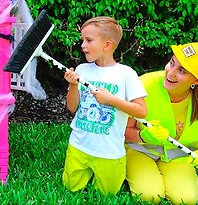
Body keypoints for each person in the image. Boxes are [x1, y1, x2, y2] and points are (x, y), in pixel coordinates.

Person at [62, 16, 148, 196]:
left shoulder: (126, 74)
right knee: (70, 188)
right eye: (82, 40)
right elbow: (72, 108)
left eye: (89, 40)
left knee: (107, 195)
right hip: (79, 146)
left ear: (107, 45)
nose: (83, 45)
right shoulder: (82, 69)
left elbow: (141, 111)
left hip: (109, 151)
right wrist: (73, 85)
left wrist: (111, 100)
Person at [125, 42, 198, 204]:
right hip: (140, 149)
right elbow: (124, 131)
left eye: (181, 71)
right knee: (149, 196)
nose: (171, 72)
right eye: (172, 63)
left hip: (178, 155)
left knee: (186, 200)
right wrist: (144, 136)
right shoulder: (143, 85)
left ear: (196, 81)